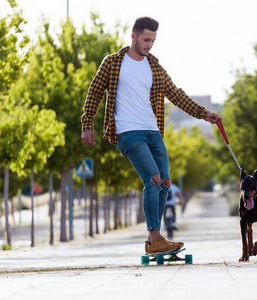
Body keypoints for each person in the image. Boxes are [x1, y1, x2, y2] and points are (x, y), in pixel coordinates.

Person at [81, 17, 221, 255]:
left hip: (154, 132)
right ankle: (155, 237)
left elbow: (176, 95)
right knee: (153, 180)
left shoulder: (154, 66)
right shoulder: (113, 63)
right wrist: (87, 124)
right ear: (133, 36)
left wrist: (203, 113)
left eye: (153, 41)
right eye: (146, 39)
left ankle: (153, 240)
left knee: (165, 183)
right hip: (128, 131)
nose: (149, 45)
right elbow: (94, 92)